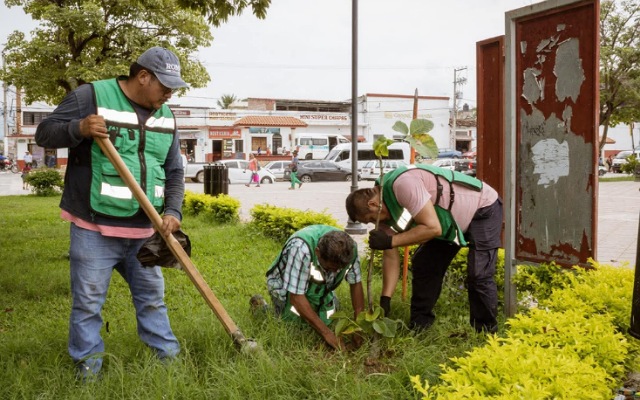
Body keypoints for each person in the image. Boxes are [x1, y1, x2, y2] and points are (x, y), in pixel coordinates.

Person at [34, 46, 188, 381]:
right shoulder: (92, 96)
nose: (169, 93)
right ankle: (88, 373)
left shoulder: (167, 116)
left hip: (146, 231)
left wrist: (173, 210)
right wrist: (80, 129)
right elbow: (43, 133)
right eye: (165, 85)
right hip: (94, 229)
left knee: (152, 301)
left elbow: (174, 170)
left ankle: (169, 365)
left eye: (174, 87)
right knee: (88, 305)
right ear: (142, 76)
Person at [345, 164, 503, 333]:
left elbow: (433, 228)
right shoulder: (383, 212)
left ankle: (486, 332)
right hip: (448, 223)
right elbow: (390, 256)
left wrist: (390, 241)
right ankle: (420, 326)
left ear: (373, 204)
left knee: (479, 273)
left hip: (483, 208)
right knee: (424, 263)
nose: (372, 224)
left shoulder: (403, 185)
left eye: (369, 219)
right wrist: (386, 298)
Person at [265, 225, 364, 350]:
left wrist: (358, 326)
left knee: (329, 315)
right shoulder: (301, 249)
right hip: (285, 286)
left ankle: (316, 306)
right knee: (293, 325)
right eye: (330, 268)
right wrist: (327, 334)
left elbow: (356, 284)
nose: (335, 272)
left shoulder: (350, 249)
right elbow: (296, 297)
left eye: (339, 269)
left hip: (319, 289)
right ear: (317, 252)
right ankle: (262, 307)